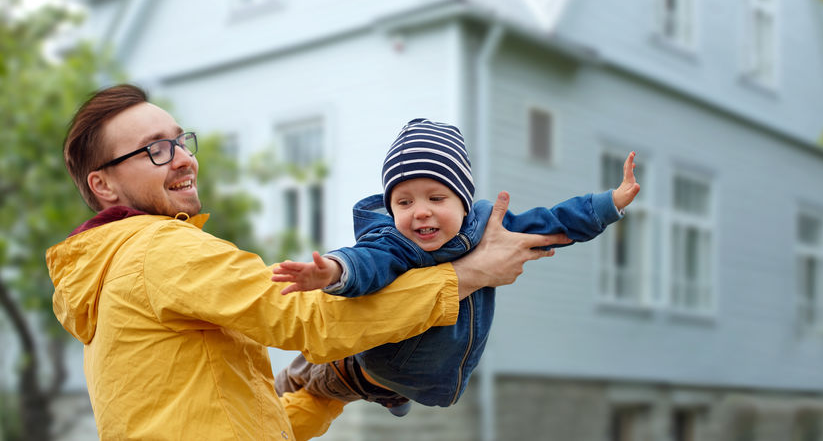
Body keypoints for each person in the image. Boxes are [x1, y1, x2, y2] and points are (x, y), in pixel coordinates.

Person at [45, 85, 569, 440]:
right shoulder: (160, 251)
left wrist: (328, 391)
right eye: (155, 150)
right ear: (104, 183)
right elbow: (311, 320)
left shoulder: (108, 274)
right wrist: (469, 274)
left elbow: (244, 424)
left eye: (180, 141)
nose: (184, 158)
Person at [271, 118, 640, 416]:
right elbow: (366, 260)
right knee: (297, 386)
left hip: (422, 375)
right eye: (403, 202)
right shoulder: (396, 243)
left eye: (436, 197)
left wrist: (609, 204)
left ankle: (395, 398)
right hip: (353, 370)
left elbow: (551, 222)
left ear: (463, 202)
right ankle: (273, 391)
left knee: (395, 386)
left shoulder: (488, 231)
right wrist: (333, 271)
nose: (420, 211)